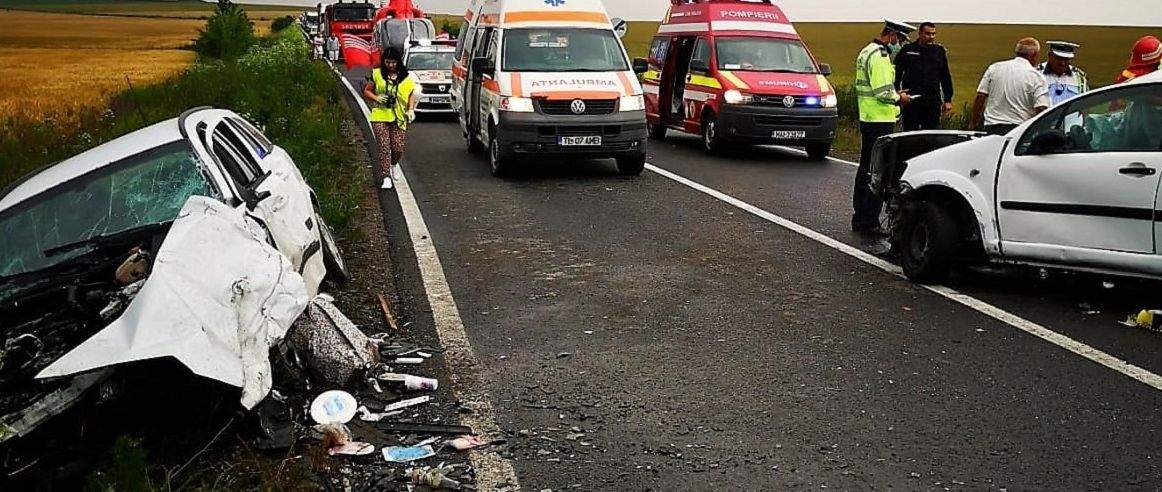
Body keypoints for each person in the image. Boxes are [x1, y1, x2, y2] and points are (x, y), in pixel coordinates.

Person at [852, 19, 914, 236]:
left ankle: (860, 217)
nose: (900, 45)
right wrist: (900, 98)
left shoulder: (866, 51)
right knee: (878, 171)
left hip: (868, 117)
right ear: (893, 35)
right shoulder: (879, 55)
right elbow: (883, 92)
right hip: (879, 119)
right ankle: (868, 220)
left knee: (866, 168)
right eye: (901, 40)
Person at [969, 38, 1049, 135]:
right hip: (1020, 130)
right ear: (1034, 55)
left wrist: (973, 124)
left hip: (992, 127)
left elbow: (980, 96)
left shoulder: (994, 68)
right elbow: (1041, 108)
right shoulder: (1036, 76)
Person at [362, 48, 417, 189]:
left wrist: (410, 109)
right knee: (384, 146)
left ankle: (394, 164)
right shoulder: (377, 74)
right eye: (388, 62)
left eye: (393, 62)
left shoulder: (407, 77)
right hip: (380, 114)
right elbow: (367, 90)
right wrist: (377, 98)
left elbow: (411, 94)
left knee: (398, 147)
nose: (391, 65)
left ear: (399, 62)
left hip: (399, 116)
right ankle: (385, 175)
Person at [894, 21, 954, 130]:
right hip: (911, 100)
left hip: (932, 101)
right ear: (920, 34)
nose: (931, 37)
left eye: (933, 34)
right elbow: (896, 73)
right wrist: (897, 93)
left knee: (931, 135)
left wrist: (948, 100)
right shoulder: (908, 50)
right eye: (927, 34)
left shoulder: (939, 51)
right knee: (910, 134)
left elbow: (945, 76)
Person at [1039, 41, 1088, 107]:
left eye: (1066, 59)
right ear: (1049, 55)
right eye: (1059, 58)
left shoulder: (1079, 76)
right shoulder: (1037, 74)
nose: (1062, 63)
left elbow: (1085, 104)